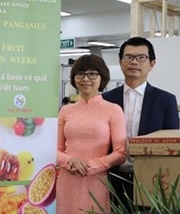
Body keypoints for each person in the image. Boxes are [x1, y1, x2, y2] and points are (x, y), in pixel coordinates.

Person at [102, 36, 179, 208]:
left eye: (141, 57)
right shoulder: (107, 99)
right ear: (120, 62)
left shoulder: (165, 100)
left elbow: (171, 147)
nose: (134, 62)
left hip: (151, 181)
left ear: (152, 63)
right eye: (128, 57)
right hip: (113, 179)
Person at [56, 54, 126, 213]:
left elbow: (121, 152)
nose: (85, 78)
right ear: (74, 78)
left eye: (92, 73)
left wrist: (92, 166)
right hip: (67, 179)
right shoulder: (65, 111)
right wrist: (70, 161)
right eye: (80, 73)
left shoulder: (113, 110)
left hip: (97, 179)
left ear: (102, 77)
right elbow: (56, 149)